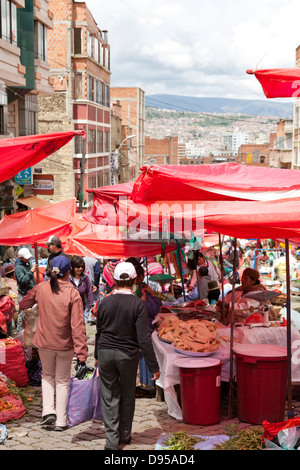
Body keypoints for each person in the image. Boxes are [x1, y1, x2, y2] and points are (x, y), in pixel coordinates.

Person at [94, 262, 160, 450]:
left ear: (114, 280)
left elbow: (99, 331)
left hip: (106, 353)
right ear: (133, 281)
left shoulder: (104, 302)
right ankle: (124, 434)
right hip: (127, 356)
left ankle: (111, 441)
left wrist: (96, 355)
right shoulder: (138, 304)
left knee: (109, 396)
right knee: (127, 393)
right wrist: (154, 366)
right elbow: (144, 338)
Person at [19, 256, 88, 431]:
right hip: (65, 345)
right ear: (69, 273)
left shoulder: (41, 288)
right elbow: (78, 326)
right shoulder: (73, 293)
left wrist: (37, 290)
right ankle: (61, 421)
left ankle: (48, 411)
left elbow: (23, 303)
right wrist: (82, 354)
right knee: (62, 381)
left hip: (44, 343)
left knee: (47, 376)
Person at [126, 257, 161, 391]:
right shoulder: (141, 291)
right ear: (139, 276)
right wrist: (153, 296)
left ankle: (135, 384)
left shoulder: (122, 290)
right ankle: (143, 384)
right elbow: (153, 309)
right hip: (141, 329)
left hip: (128, 332)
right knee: (143, 350)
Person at [15, 248, 36, 331]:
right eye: (26, 258)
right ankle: (20, 333)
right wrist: (31, 272)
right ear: (21, 258)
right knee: (22, 316)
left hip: (30, 293)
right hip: (23, 294)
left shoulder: (28, 263)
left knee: (30, 315)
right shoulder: (18, 268)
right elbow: (22, 281)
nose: (28, 259)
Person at [69, 256, 94, 323]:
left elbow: (89, 293)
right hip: (68, 307)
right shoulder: (68, 277)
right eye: (77, 267)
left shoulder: (86, 278)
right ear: (73, 267)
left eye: (82, 267)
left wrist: (91, 307)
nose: (80, 269)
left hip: (80, 307)